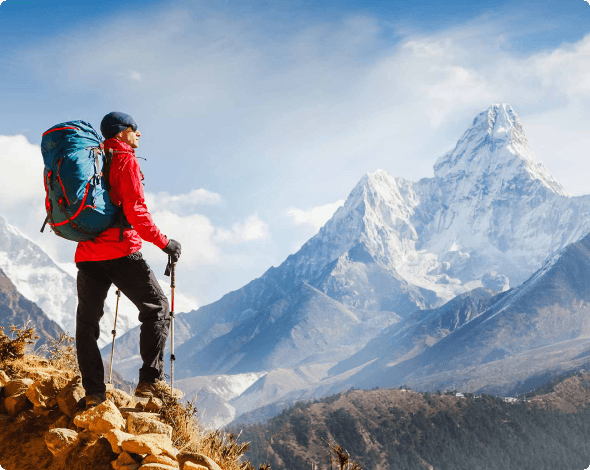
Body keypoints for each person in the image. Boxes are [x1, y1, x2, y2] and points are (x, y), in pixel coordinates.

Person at [75, 111, 182, 408]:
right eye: (135, 129)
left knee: (87, 324)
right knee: (157, 307)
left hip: (87, 253)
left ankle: (94, 393)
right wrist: (165, 243)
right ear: (122, 132)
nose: (139, 135)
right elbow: (136, 211)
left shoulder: (88, 158)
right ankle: (149, 383)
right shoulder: (124, 160)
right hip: (121, 252)